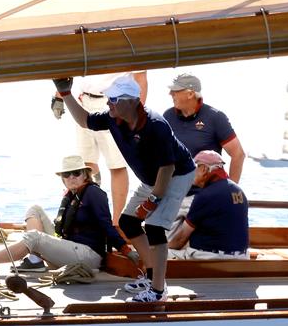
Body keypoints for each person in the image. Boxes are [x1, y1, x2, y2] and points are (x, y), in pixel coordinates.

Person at [54, 74, 196, 302]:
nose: (108, 103)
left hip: (177, 174)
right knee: (128, 222)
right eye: (108, 99)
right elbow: (85, 120)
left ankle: (158, 291)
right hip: (153, 178)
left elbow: (167, 168)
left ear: (131, 101)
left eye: (113, 99)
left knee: (155, 228)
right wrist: (66, 93)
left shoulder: (156, 125)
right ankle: (151, 276)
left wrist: (154, 200)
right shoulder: (114, 117)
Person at [0, 155, 136, 273]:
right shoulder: (72, 194)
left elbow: (107, 226)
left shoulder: (93, 194)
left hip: (88, 256)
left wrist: (126, 250)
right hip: (70, 246)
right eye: (67, 174)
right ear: (62, 178)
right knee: (34, 209)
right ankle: (34, 260)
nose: (71, 177)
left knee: (35, 237)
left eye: (76, 173)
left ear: (85, 175)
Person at [52, 71, 148, 224]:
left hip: (114, 102)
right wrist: (59, 95)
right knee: (86, 164)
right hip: (84, 100)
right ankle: (91, 219)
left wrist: (136, 116)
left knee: (116, 165)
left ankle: (117, 222)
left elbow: (141, 78)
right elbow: (71, 61)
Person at [163, 72, 245, 237]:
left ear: (191, 93)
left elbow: (238, 154)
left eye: (175, 91)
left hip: (202, 198)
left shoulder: (215, 117)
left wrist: (229, 191)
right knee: (165, 248)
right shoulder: (168, 116)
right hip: (173, 197)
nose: (170, 94)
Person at [168, 150, 249, 259]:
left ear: (204, 169)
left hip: (210, 258)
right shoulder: (239, 191)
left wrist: (164, 248)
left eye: (194, 168)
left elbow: (180, 239)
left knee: (157, 255)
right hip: (241, 257)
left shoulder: (205, 196)